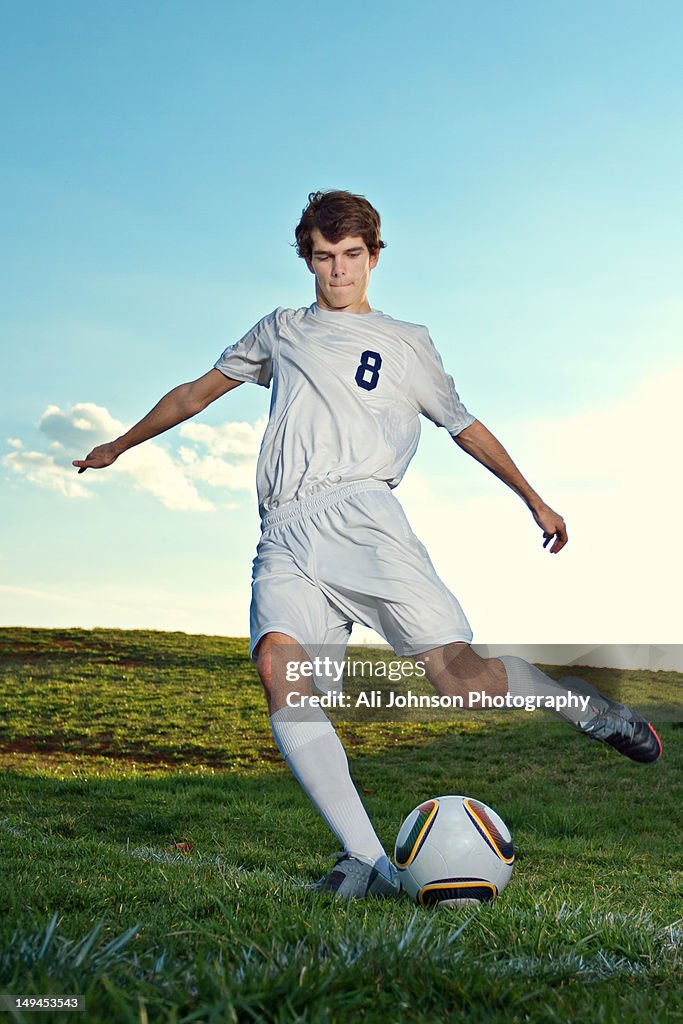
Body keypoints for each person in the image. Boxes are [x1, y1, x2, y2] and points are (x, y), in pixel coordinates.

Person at [73, 190, 662, 900]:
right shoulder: (280, 329)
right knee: (277, 669)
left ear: (373, 256)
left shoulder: (407, 340)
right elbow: (193, 395)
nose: (336, 272)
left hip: (365, 517)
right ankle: (368, 863)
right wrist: (121, 443)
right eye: (322, 258)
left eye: (350, 256)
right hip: (283, 530)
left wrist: (533, 497)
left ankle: (578, 705)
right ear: (307, 259)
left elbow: (464, 425)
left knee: (458, 681)